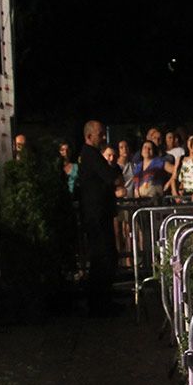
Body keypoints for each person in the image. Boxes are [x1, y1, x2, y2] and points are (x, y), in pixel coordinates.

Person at [75, 120, 121, 313]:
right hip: (97, 215)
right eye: (100, 134)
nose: (103, 138)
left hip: (99, 213)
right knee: (102, 257)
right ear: (89, 136)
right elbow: (110, 177)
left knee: (105, 257)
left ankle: (103, 300)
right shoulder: (91, 155)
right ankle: (99, 303)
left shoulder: (90, 155)